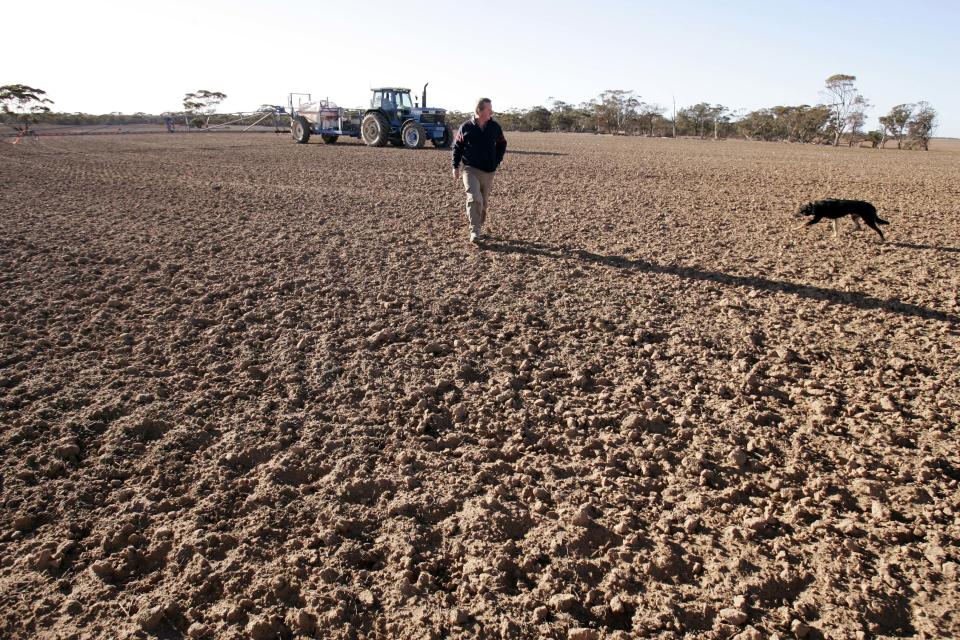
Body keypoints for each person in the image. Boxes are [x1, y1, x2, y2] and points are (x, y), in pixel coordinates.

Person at [452, 98, 507, 243]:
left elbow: (502, 143)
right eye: (489, 109)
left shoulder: (494, 127)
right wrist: (455, 166)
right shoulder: (466, 127)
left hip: (489, 171)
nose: (492, 111)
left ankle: (478, 226)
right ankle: (474, 231)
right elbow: (457, 147)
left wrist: (497, 160)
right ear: (480, 111)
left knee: (483, 203)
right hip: (470, 170)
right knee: (474, 198)